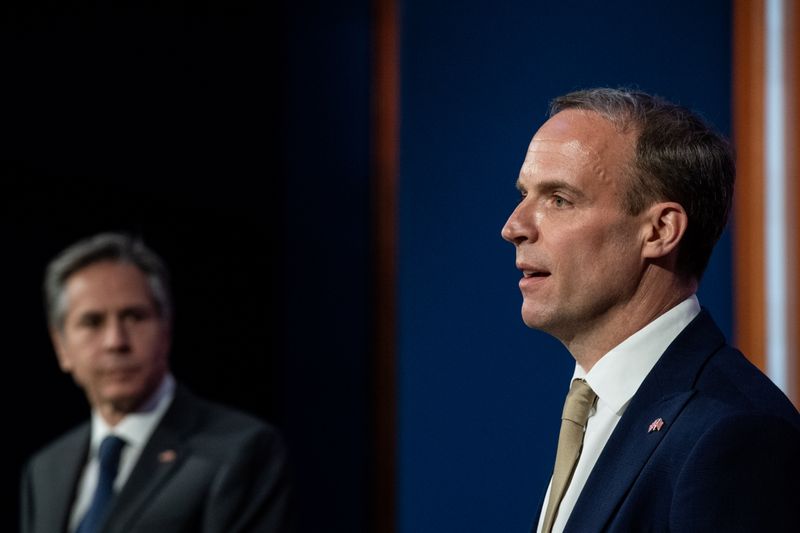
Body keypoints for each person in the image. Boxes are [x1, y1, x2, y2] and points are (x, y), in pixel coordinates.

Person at [501, 87, 800, 532]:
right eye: (524, 194)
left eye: (559, 199)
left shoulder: (735, 436)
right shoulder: (594, 407)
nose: (514, 227)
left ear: (660, 231)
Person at [20, 232, 290, 533]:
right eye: (92, 322)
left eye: (134, 317)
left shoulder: (241, 451)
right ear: (61, 347)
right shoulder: (44, 471)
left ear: (166, 329)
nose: (115, 341)